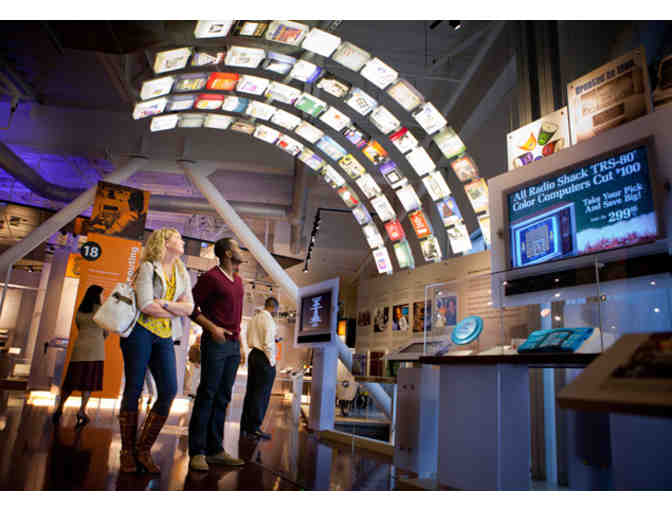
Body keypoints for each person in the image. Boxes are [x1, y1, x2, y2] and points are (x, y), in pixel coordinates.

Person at [117, 228, 194, 474]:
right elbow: (146, 305)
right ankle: (127, 451)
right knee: (134, 388)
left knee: (169, 390)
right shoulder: (148, 267)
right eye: (178, 238)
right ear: (165, 242)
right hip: (139, 332)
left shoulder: (182, 271)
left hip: (164, 336)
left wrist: (166, 304)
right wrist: (175, 311)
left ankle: (143, 449)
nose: (182, 241)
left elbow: (190, 307)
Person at [188, 237, 246, 472]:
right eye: (237, 247)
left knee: (223, 397)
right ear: (227, 253)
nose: (241, 251)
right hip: (215, 342)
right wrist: (212, 328)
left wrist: (241, 344)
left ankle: (215, 450)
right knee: (207, 394)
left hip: (232, 345)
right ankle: (197, 452)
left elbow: (237, 319)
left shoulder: (239, 281)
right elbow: (190, 308)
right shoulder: (211, 278)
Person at [52, 285, 108, 427]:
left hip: (79, 349)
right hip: (95, 351)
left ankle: (60, 408)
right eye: (102, 294)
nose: (104, 297)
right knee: (88, 384)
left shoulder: (81, 310)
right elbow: (106, 331)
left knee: (71, 381)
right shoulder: (102, 310)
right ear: (97, 296)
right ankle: (82, 411)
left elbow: (79, 326)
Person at [241, 297, 279, 440]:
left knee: (251, 392)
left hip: (253, 355)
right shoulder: (269, 320)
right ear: (274, 307)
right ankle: (254, 428)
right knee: (261, 394)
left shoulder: (255, 318)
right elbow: (268, 343)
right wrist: (272, 362)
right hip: (264, 357)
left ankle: (245, 426)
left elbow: (251, 336)